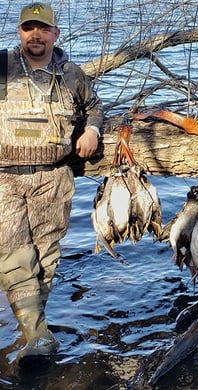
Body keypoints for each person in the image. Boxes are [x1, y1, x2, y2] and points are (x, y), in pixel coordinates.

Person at [0, 2, 103, 364]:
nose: (36, 35)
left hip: (54, 178)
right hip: (4, 180)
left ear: (55, 34)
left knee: (45, 257)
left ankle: (32, 330)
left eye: (43, 29)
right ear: (20, 33)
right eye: (29, 29)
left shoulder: (71, 74)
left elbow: (94, 107)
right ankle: (37, 336)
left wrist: (92, 129)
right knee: (14, 255)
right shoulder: (2, 67)